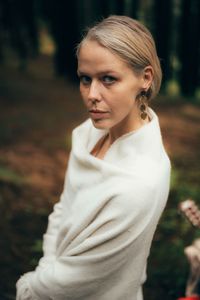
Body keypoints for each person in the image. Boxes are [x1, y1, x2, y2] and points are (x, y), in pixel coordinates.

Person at [16, 15, 171, 300]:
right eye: (85, 79)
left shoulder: (139, 183)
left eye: (108, 79)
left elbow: (78, 280)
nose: (92, 95)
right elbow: (65, 208)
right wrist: (47, 263)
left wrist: (30, 286)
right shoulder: (89, 132)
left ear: (145, 78)